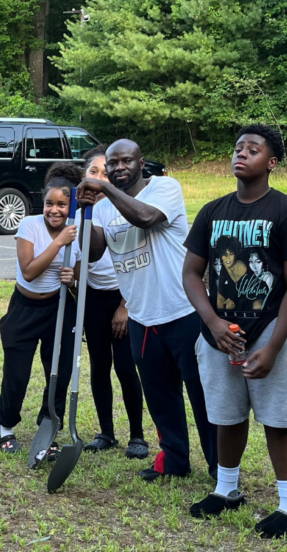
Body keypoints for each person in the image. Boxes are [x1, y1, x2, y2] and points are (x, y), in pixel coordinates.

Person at [182, 125, 287, 539]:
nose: (242, 154)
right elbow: (190, 273)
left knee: (277, 419)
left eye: (253, 150)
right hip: (220, 333)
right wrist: (212, 322)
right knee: (226, 414)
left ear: (271, 162)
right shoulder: (213, 211)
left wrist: (274, 345)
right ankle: (226, 490)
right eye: (238, 148)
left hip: (270, 329)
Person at [77, 139, 217, 482]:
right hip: (142, 316)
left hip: (183, 310)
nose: (119, 167)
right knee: (160, 395)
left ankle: (220, 467)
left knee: (202, 395)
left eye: (127, 161)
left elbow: (146, 217)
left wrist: (104, 190)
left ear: (141, 163)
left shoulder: (164, 188)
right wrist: (84, 212)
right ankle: (174, 459)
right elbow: (94, 251)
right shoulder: (106, 207)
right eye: (113, 163)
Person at [0, 163, 81, 454]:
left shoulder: (77, 231)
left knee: (59, 372)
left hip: (58, 308)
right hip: (25, 308)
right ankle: (6, 428)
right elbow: (29, 271)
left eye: (61, 204)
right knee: (17, 373)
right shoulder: (30, 225)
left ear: (72, 205)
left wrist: (73, 279)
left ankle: (49, 428)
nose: (54, 210)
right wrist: (59, 242)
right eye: (49, 203)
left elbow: (79, 284)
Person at [76, 146, 146, 455]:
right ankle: (106, 433)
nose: (100, 178)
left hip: (123, 298)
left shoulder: (126, 208)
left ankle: (137, 436)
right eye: (94, 172)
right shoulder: (84, 212)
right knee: (99, 365)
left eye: (106, 174)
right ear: (85, 176)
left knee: (125, 367)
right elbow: (83, 259)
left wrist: (124, 307)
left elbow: (138, 264)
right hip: (93, 298)